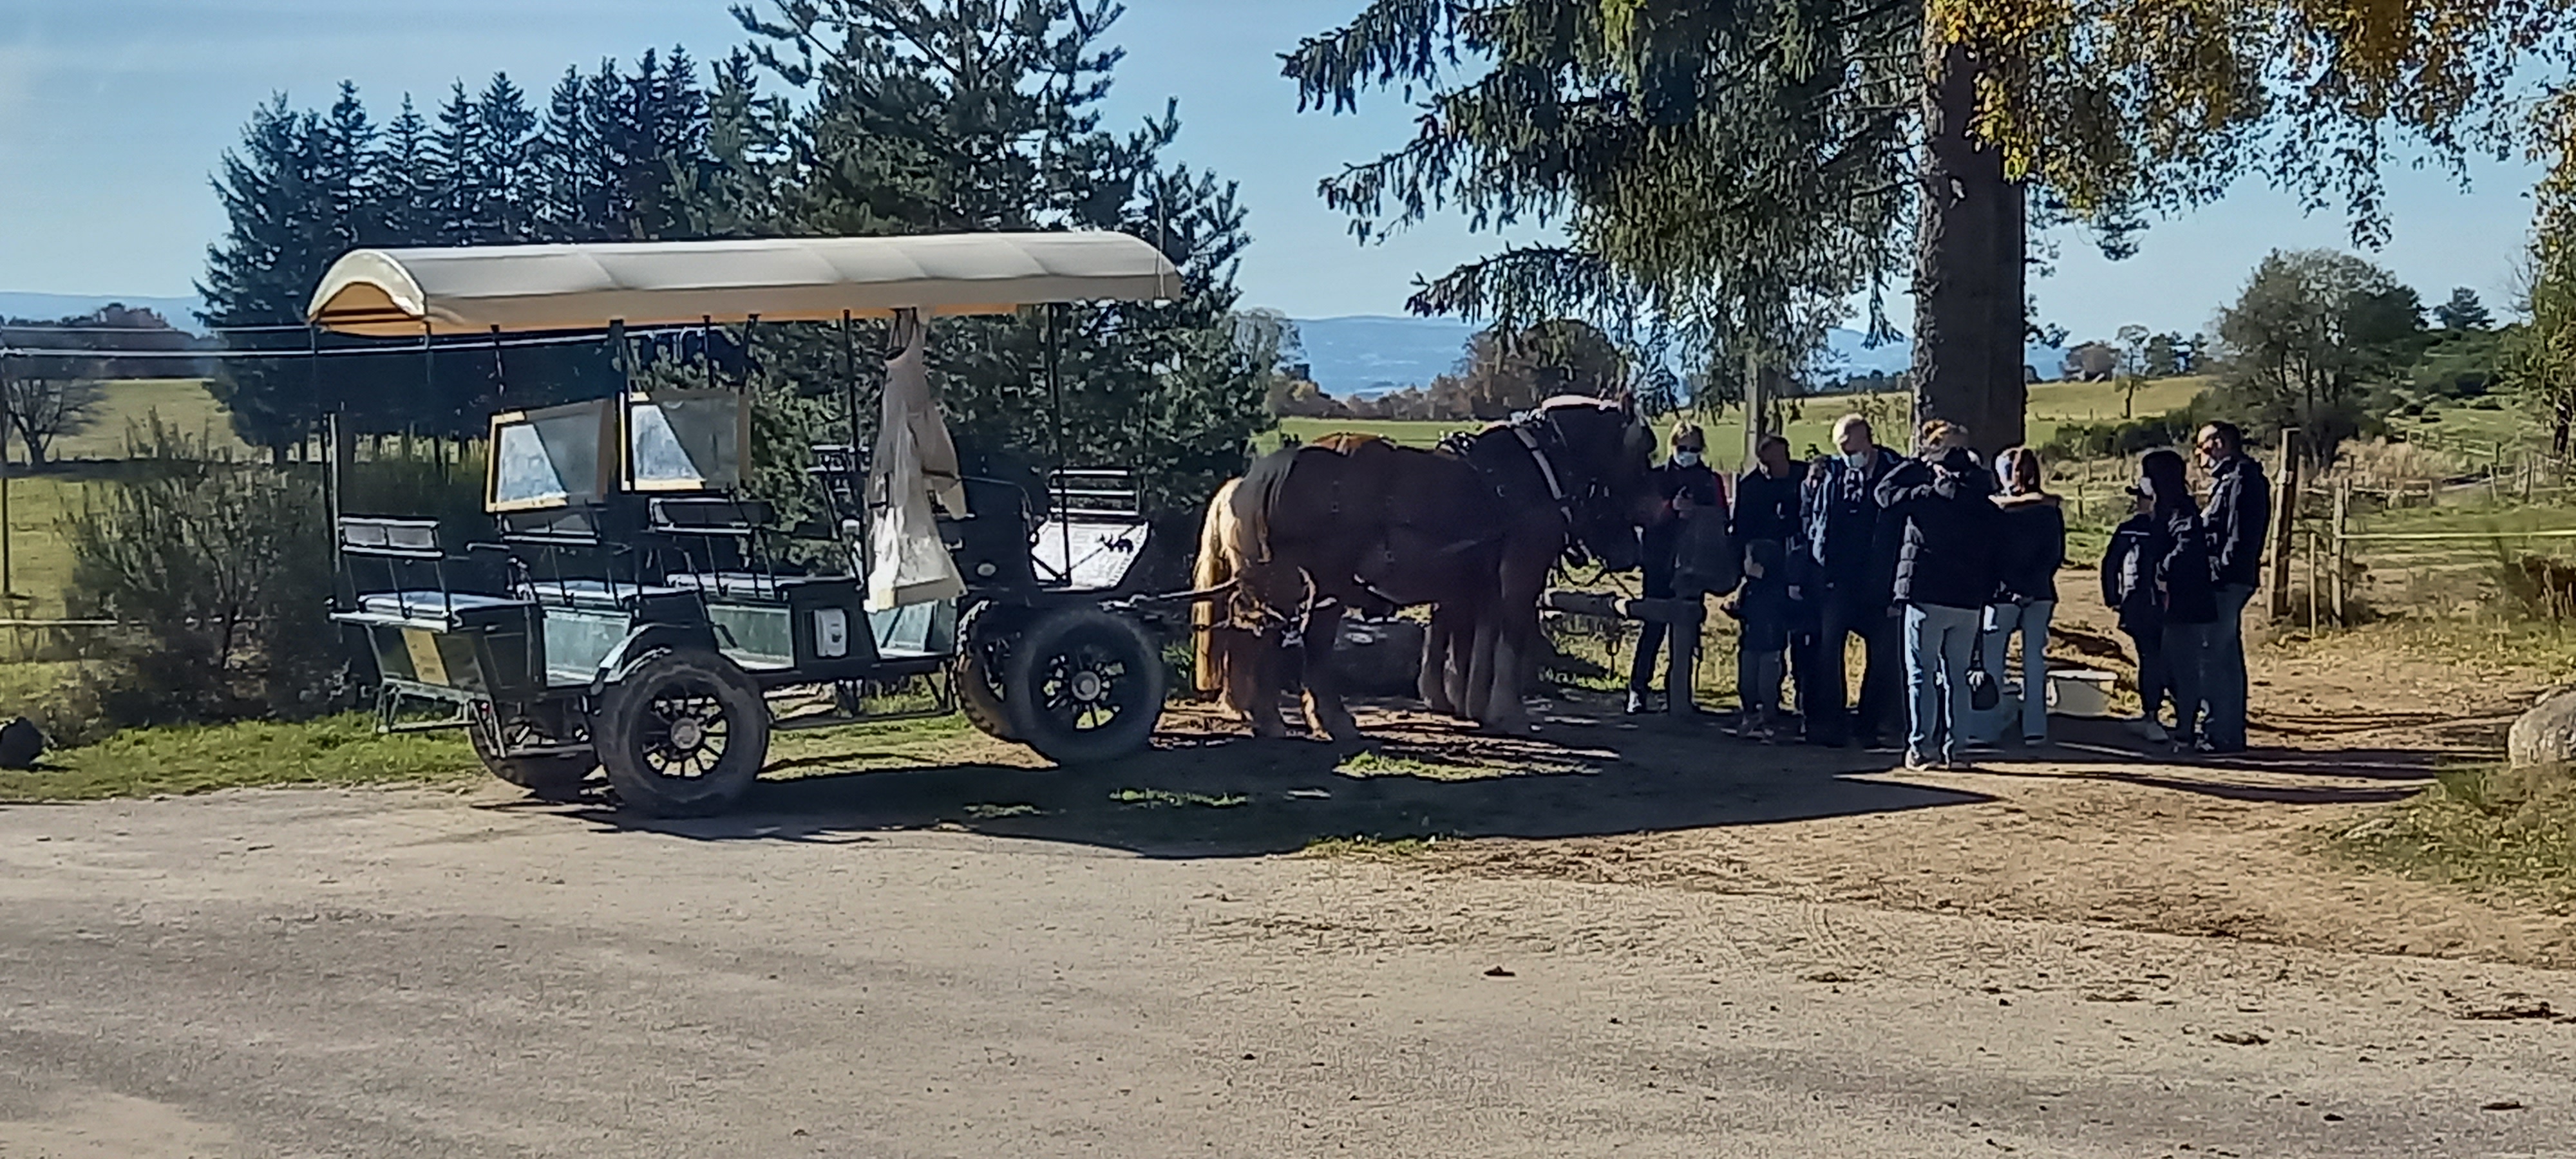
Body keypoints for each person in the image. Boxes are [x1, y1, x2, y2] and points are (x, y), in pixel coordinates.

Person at [1876, 420, 1997, 770]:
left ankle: (1921, 747)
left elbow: (1884, 494)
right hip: (1968, 599)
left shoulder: (1927, 498)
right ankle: (1957, 747)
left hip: (1927, 593)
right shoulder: (1983, 502)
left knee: (1921, 674)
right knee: (1957, 677)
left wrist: (1917, 461)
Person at [1801, 415, 1904, 747]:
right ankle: (1831, 724)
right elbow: (1816, 520)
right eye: (1841, 450)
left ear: (1868, 441)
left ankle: (1870, 724)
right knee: (1829, 651)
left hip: (1880, 580)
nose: (1847, 456)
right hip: (1837, 580)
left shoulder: (1897, 472)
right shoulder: (1832, 474)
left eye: (1852, 448)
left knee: (1883, 654)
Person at [1628, 422, 1725, 713]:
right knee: (1653, 626)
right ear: (1673, 447)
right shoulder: (1656, 477)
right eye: (1683, 448)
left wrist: (1700, 512)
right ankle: (1638, 689)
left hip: (1695, 563)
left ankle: (1680, 694)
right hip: (1659, 560)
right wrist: (1672, 508)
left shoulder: (1710, 480)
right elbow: (1643, 513)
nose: (1689, 454)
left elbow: (1722, 517)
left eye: (1694, 448)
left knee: (1687, 630)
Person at [1976, 446, 2066, 747]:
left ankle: (1988, 726)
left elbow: (1992, 555)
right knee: (2034, 661)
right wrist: (2031, 586)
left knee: (1993, 661)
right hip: (2040, 592)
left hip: (2002, 594)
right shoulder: (2049, 508)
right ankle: (2035, 728)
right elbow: (2054, 554)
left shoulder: (1995, 510)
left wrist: (2009, 587)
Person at [2140, 448, 2220, 752]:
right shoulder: (2168, 509)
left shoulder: (2180, 511)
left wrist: (2162, 571)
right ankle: (2184, 728)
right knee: (2175, 667)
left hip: (2186, 605)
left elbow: (2186, 547)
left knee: (2184, 669)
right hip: (2174, 604)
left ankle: (2186, 731)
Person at [2196, 422, 2269, 753]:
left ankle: (2220, 733)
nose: (2199, 454)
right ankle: (2226, 730)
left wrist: (2218, 571)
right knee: (2224, 654)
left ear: (2220, 443)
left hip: (2226, 580)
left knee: (2216, 655)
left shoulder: (2240, 480)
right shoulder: (2233, 479)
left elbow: (2237, 535)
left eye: (2203, 446)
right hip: (2230, 577)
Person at [1732, 434, 1802, 730]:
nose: (1770, 469)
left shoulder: (1803, 477)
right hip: (1762, 571)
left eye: (1774, 462)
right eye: (1765, 464)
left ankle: (1802, 699)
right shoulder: (1751, 486)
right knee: (1763, 638)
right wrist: (1746, 566)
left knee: (1801, 638)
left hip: (1799, 565)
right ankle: (1759, 703)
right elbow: (1740, 532)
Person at [2101, 486, 2175, 742]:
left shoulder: (2131, 529)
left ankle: (2153, 714)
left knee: (2150, 658)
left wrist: (2113, 597)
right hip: (2168, 602)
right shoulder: (2173, 527)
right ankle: (2170, 712)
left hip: (2139, 602)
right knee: (2163, 657)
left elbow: (2111, 563)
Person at [1732, 538, 1792, 739]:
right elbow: (1746, 610)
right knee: (1747, 682)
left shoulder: (1777, 588)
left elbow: (1778, 611)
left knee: (1767, 685)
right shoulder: (1747, 587)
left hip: (1771, 642)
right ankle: (1750, 715)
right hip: (1749, 641)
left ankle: (1769, 719)